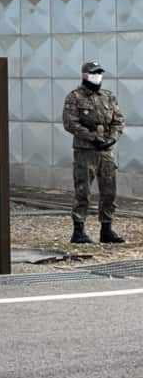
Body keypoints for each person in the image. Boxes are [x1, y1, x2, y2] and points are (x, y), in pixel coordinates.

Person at [63, 60, 126, 245]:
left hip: (106, 151)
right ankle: (79, 231)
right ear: (84, 75)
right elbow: (70, 123)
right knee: (83, 191)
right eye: (93, 72)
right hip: (85, 151)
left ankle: (106, 229)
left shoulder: (108, 96)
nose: (97, 75)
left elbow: (118, 120)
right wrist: (92, 137)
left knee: (109, 191)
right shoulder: (74, 97)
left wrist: (112, 138)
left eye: (99, 72)